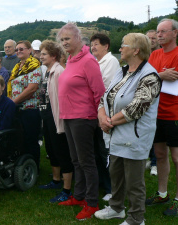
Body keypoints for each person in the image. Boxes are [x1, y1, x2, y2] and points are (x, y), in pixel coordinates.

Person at [95, 33, 161, 225]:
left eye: (124, 45)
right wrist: (101, 116)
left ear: (136, 50)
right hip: (115, 133)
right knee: (116, 175)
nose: (121, 48)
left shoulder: (150, 76)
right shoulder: (122, 71)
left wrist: (108, 122)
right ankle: (116, 208)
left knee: (134, 182)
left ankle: (136, 218)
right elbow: (105, 97)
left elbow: (136, 108)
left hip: (134, 136)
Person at [57, 23, 105, 220]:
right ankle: (78, 196)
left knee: (87, 161)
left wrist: (97, 116)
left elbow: (99, 91)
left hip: (83, 117)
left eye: (67, 38)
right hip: (68, 116)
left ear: (78, 38)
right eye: (62, 40)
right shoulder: (71, 60)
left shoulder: (88, 60)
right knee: (76, 160)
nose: (64, 42)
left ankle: (92, 202)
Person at [146, 18, 178, 217]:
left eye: (163, 31)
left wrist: (159, 75)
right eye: (158, 32)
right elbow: (146, 78)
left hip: (175, 113)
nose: (159, 35)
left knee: (176, 157)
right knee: (159, 154)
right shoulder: (155, 55)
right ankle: (163, 193)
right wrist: (161, 75)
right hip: (156, 113)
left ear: (175, 33)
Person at [37, 41, 73, 204]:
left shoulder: (59, 72)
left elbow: (63, 98)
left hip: (56, 117)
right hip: (47, 116)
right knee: (51, 149)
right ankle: (56, 180)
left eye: (44, 54)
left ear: (53, 55)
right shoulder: (49, 71)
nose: (41, 56)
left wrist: (60, 119)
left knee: (61, 151)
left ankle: (67, 190)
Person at [90, 33, 120, 201]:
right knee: (97, 150)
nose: (93, 47)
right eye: (92, 44)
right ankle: (103, 183)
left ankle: (111, 188)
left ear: (106, 46)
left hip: (107, 112)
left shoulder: (111, 61)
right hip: (95, 111)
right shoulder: (96, 61)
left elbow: (102, 85)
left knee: (105, 151)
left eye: (96, 44)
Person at [8, 40, 42, 168]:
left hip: (30, 110)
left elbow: (32, 88)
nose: (18, 51)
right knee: (19, 139)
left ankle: (33, 167)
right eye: (17, 49)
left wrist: (13, 102)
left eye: (21, 49)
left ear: (29, 50)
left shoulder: (34, 65)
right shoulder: (18, 67)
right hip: (17, 109)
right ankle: (22, 165)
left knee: (30, 140)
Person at [146, 29, 160, 176]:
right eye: (148, 38)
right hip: (147, 99)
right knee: (147, 130)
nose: (151, 40)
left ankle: (155, 163)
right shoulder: (143, 56)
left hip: (161, 98)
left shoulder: (160, 55)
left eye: (153, 38)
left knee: (156, 133)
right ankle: (149, 159)